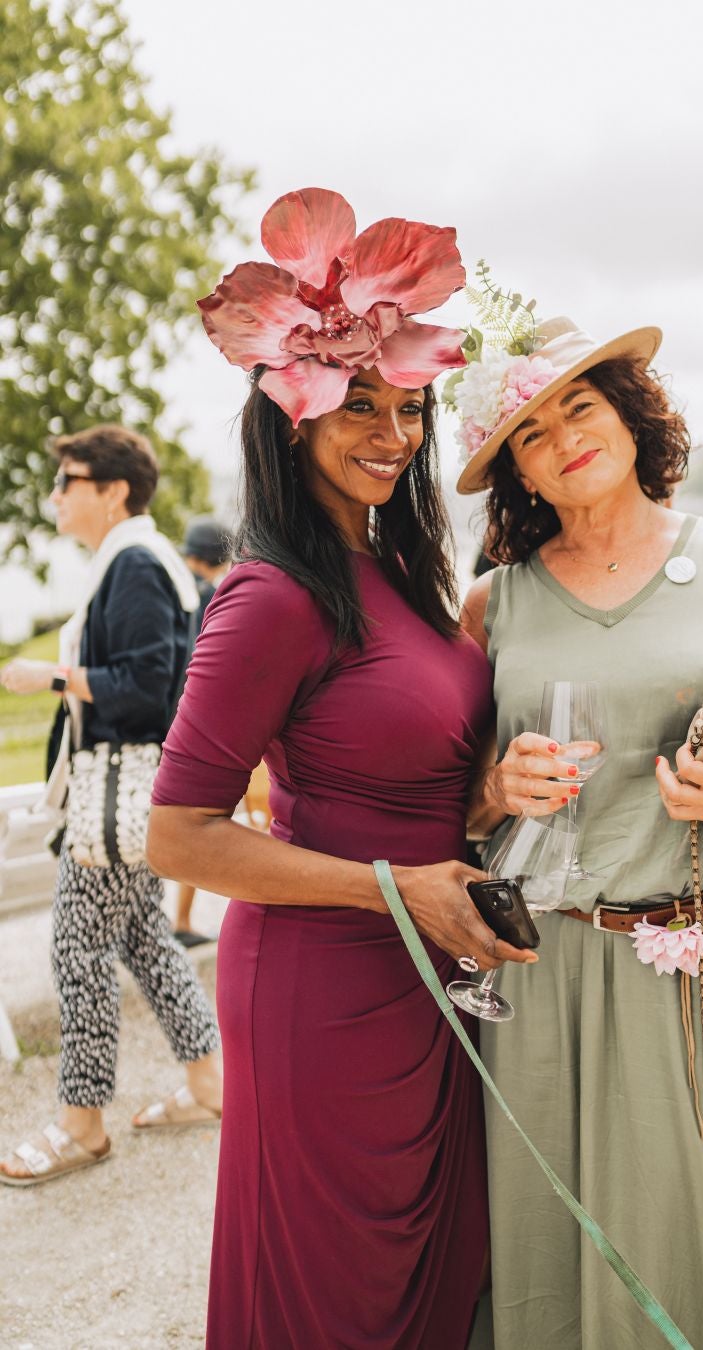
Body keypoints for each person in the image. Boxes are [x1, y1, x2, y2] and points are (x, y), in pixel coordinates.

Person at [146, 187, 536, 1350]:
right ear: (290, 408)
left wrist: (483, 802)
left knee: (437, 1278)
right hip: (325, 987)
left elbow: (424, 771)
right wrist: (394, 886)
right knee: (338, 1295)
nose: (394, 434)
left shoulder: (406, 578)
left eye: (408, 406)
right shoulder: (268, 595)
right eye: (359, 405)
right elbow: (177, 838)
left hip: (436, 976)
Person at [452, 312, 703, 1350]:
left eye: (579, 408)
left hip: (697, 955)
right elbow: (453, 808)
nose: (563, 440)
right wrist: (496, 788)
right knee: (547, 1241)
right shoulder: (491, 607)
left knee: (694, 1240)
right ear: (521, 478)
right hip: (541, 970)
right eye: (531, 435)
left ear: (632, 416)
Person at [0, 424, 223, 1188]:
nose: (56, 495)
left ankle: (82, 1125)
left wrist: (51, 678)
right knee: (145, 943)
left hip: (114, 796)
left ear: (115, 489)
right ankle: (207, 1084)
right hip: (134, 796)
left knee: (77, 952)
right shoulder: (138, 559)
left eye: (70, 481)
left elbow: (146, 687)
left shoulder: (131, 564)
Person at [172, 516, 234, 945]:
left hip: (174, 723)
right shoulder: (215, 597)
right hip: (207, 727)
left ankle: (180, 920)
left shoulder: (177, 596)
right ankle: (181, 920)